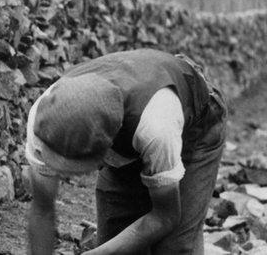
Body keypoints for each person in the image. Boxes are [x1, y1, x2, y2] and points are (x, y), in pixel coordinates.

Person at [26, 48, 226, 254]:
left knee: (174, 245)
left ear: (104, 151)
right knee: (117, 239)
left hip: (196, 124)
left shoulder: (156, 126)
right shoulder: (45, 118)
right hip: (131, 129)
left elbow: (165, 216)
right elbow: (42, 209)